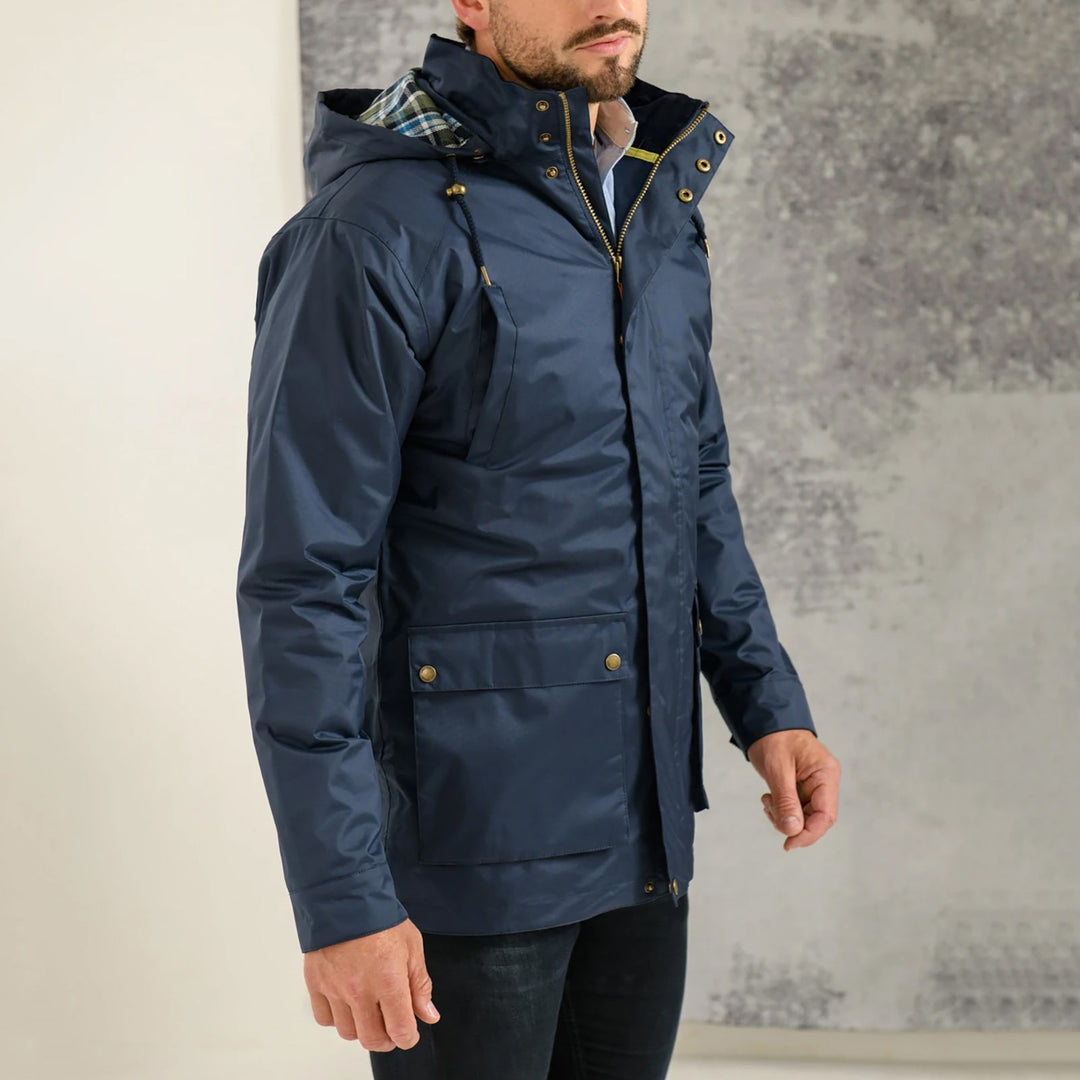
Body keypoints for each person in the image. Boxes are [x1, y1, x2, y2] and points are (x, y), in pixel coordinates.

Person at [235, 2, 842, 1077]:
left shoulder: (649, 204)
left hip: (643, 831)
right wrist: (342, 901)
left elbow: (694, 483)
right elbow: (304, 582)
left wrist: (768, 705)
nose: (612, 4)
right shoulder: (373, 231)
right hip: (470, 857)